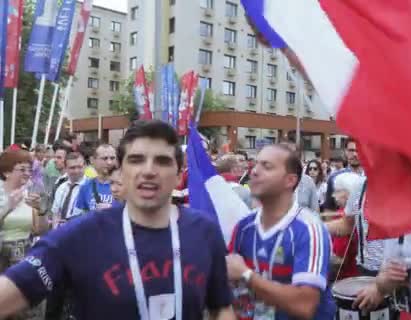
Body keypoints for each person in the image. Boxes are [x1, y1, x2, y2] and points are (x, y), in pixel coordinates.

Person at [0, 120, 235, 319]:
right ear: (120, 171)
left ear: (179, 174)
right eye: (136, 160)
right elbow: (11, 291)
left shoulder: (204, 231)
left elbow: (221, 306)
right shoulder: (82, 235)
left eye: (163, 161)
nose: (149, 170)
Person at [226, 143, 335, 319]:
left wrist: (247, 275)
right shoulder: (243, 227)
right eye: (255, 164)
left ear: (290, 180)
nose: (254, 171)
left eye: (266, 166)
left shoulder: (309, 229)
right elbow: (230, 285)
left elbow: (305, 304)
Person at [0, 149, 48, 319]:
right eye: (22, 169)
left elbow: (41, 230)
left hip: (25, 256)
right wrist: (7, 207)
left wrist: (40, 209)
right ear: (6, 171)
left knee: (27, 310)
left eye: (30, 169)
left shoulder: (29, 194)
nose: (28, 174)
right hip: (2, 258)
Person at [72, 144, 117, 216]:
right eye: (104, 158)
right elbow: (80, 218)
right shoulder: (86, 186)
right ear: (92, 160)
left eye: (112, 158)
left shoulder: (125, 186)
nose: (109, 162)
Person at [324, 138, 364, 211]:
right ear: (345, 152)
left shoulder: (371, 178)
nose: (355, 154)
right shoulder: (334, 178)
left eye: (358, 150)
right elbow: (329, 209)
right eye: (351, 150)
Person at [50, 152, 86, 227]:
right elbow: (55, 213)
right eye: (72, 168)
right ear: (66, 168)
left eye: (79, 167)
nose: (76, 171)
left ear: (84, 166)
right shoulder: (61, 187)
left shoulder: (91, 187)